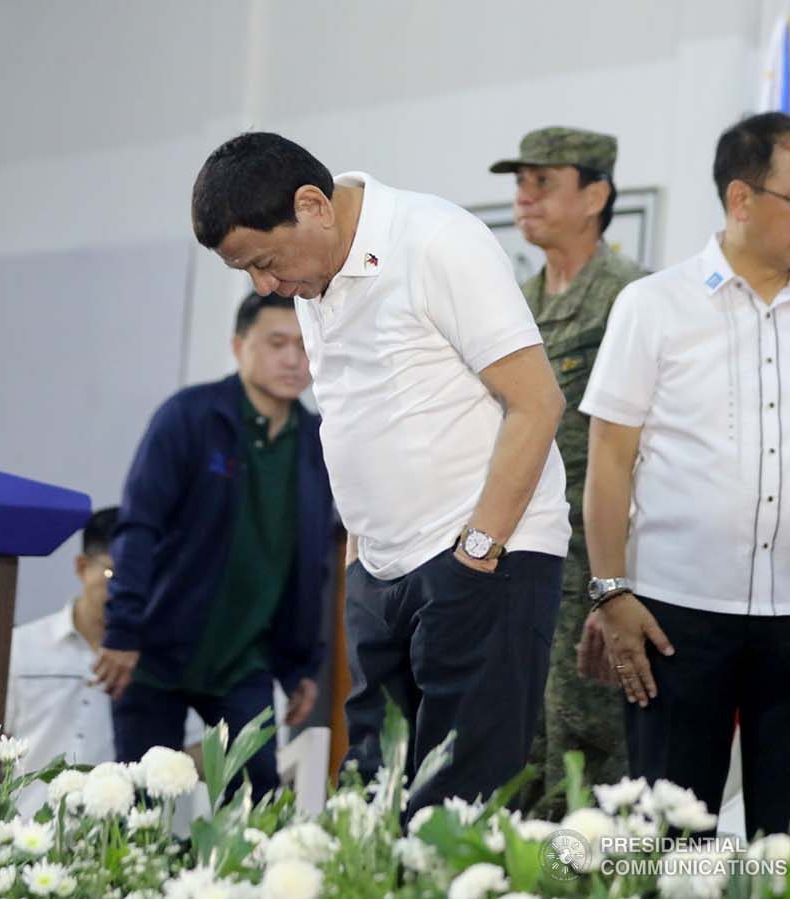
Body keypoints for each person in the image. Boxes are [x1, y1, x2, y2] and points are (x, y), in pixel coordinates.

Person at [191, 131, 570, 815]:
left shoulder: (434, 241)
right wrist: (360, 566)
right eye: (246, 273)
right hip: (381, 573)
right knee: (368, 801)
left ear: (313, 204)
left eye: (267, 261)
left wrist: (477, 552)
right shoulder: (312, 283)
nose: (266, 286)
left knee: (458, 810)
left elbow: (538, 401)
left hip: (480, 560)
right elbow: (356, 424)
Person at [578, 112, 790, 842]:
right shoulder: (654, 306)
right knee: (670, 834)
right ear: (741, 199)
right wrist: (610, 589)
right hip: (677, 613)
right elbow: (609, 458)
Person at [95, 292, 333, 801]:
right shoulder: (189, 417)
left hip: (244, 659)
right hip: (153, 649)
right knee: (138, 800)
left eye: (304, 345)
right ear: (238, 345)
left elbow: (313, 564)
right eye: (277, 343)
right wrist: (123, 630)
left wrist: (302, 665)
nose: (293, 359)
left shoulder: (318, 441)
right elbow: (139, 526)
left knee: (257, 793)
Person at [489, 126, 645, 815]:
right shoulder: (510, 302)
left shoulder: (632, 298)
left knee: (590, 752)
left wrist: (622, 580)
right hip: (517, 555)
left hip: (595, 565)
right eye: (520, 183)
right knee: (514, 744)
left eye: (543, 182)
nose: (525, 198)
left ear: (596, 196)